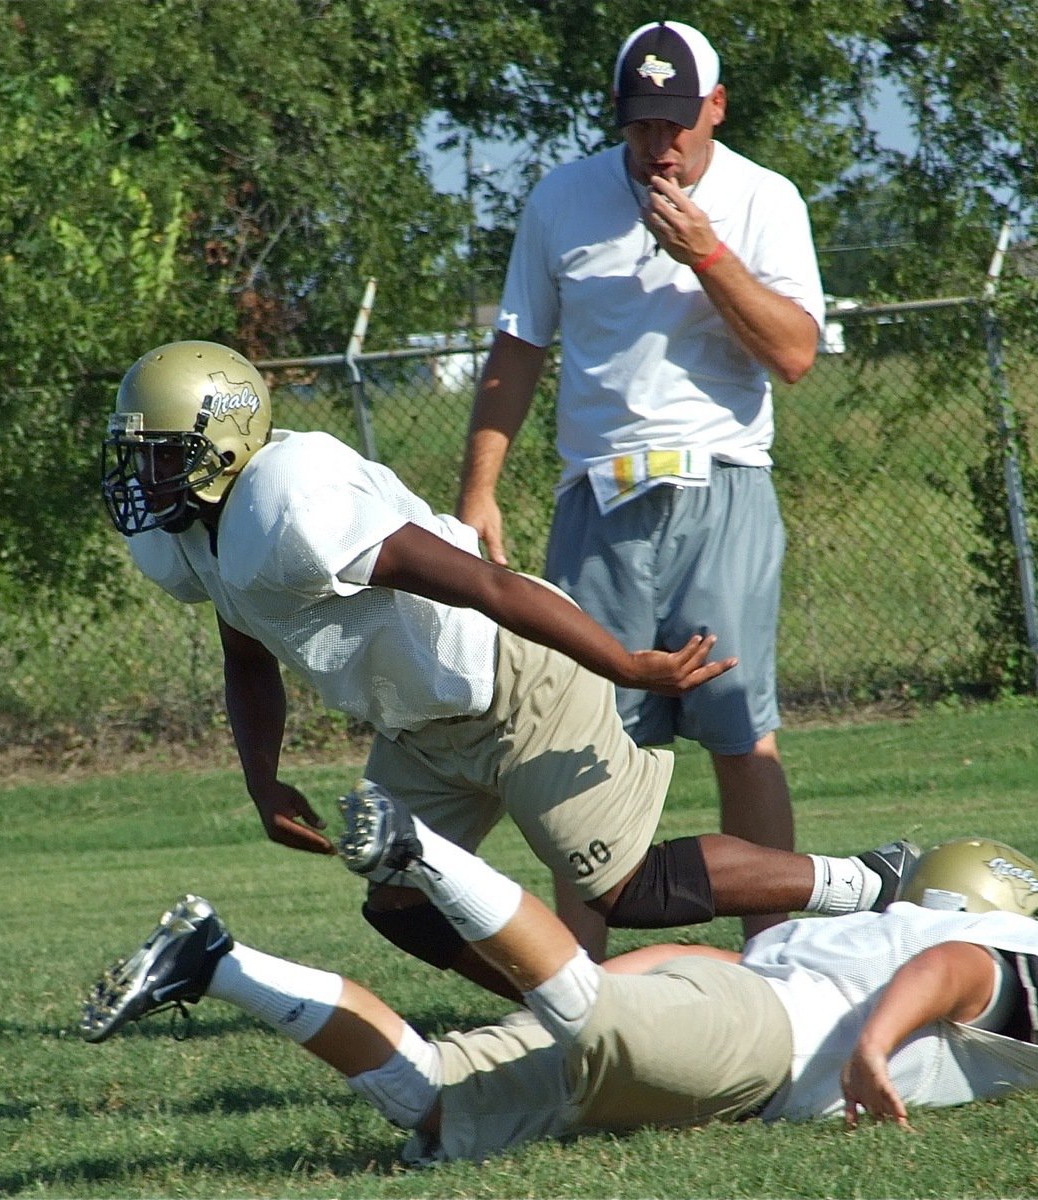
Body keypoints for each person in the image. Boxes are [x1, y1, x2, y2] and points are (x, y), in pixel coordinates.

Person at [100, 340, 915, 998]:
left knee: (627, 889)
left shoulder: (289, 508)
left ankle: (874, 881)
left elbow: (490, 586)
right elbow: (245, 652)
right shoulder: (196, 534)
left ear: (226, 445)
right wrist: (262, 781)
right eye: (139, 456)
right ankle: (572, 1013)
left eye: (161, 456)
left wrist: (625, 665)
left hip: (512, 683)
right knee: (400, 903)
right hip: (422, 726)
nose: (142, 476)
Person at [81, 788, 1038, 1168]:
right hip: (770, 1040)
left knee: (430, 1100)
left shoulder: (867, 936)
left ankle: (215, 961)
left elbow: (709, 962)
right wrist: (873, 1050)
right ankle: (421, 849)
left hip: (735, 1011)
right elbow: (958, 968)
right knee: (597, 1012)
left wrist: (589, 987)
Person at [457, 19, 826, 947]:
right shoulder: (563, 197)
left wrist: (707, 254)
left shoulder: (765, 198)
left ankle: (776, 963)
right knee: (583, 744)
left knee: (740, 735)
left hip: (722, 488)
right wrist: (478, 491)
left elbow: (794, 353)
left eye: (676, 122)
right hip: (596, 501)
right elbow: (518, 349)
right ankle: (576, 986)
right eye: (640, 123)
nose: (659, 144)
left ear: (717, 107)